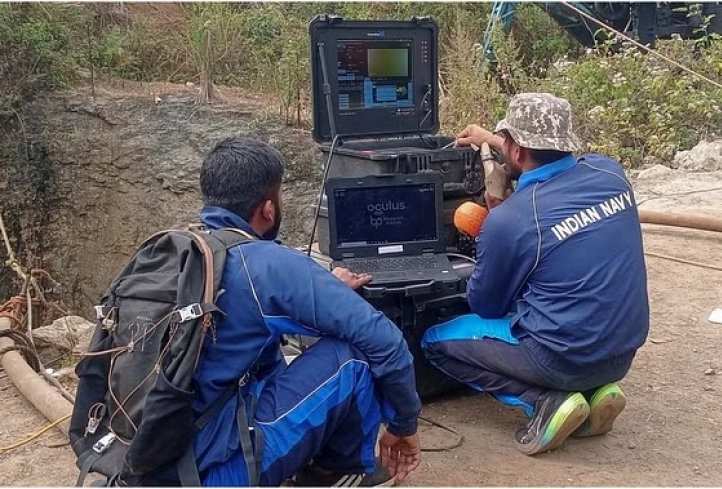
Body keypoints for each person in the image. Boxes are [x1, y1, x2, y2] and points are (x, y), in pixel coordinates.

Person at [421, 93, 649, 456]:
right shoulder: (612, 172)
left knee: (433, 342)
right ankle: (595, 392)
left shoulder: (511, 219)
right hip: (622, 353)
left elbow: (488, 306)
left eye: (506, 142)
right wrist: (493, 140)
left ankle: (545, 401)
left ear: (515, 152)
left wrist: (492, 233)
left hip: (558, 358)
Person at [189, 137, 421, 486]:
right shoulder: (265, 263)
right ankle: (331, 474)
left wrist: (328, 288)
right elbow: (387, 342)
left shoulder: (178, 252)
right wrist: (405, 425)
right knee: (354, 354)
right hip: (217, 475)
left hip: (150, 458)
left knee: (270, 356)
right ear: (268, 209)